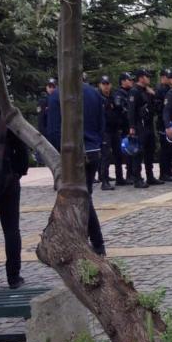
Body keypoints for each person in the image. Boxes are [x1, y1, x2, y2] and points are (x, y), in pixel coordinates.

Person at [46, 77, 107, 255]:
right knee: (84, 196)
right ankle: (93, 242)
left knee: (80, 199)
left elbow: (54, 130)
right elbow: (101, 124)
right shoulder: (94, 93)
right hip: (93, 148)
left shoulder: (57, 95)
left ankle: (94, 242)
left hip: (71, 153)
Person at [0, 79, 28, 289]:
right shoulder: (7, 113)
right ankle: (14, 276)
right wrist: (19, 171)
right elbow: (21, 147)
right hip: (7, 177)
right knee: (11, 228)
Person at [127, 69, 163, 188]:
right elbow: (131, 110)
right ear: (141, 78)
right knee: (138, 152)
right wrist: (132, 126)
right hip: (139, 125)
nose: (149, 78)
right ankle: (137, 178)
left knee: (150, 151)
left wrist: (153, 95)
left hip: (148, 124)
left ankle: (150, 176)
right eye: (147, 77)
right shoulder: (134, 91)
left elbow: (154, 106)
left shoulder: (147, 91)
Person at [154, 69, 172, 182]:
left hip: (171, 120)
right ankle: (163, 172)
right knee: (165, 149)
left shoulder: (169, 89)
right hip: (163, 122)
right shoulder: (160, 89)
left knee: (171, 148)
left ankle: (168, 169)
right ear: (163, 77)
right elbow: (159, 107)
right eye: (168, 77)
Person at [112, 72, 133, 185]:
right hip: (121, 127)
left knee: (131, 152)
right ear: (123, 81)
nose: (131, 82)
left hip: (129, 126)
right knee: (121, 154)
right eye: (129, 80)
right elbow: (119, 107)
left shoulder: (130, 92)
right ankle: (120, 177)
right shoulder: (119, 93)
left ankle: (130, 174)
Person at [97, 75, 118, 190]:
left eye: (107, 84)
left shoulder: (113, 96)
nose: (106, 86)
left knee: (118, 154)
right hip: (104, 130)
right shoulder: (98, 98)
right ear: (100, 85)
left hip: (114, 129)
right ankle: (104, 181)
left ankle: (119, 177)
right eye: (104, 84)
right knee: (105, 155)